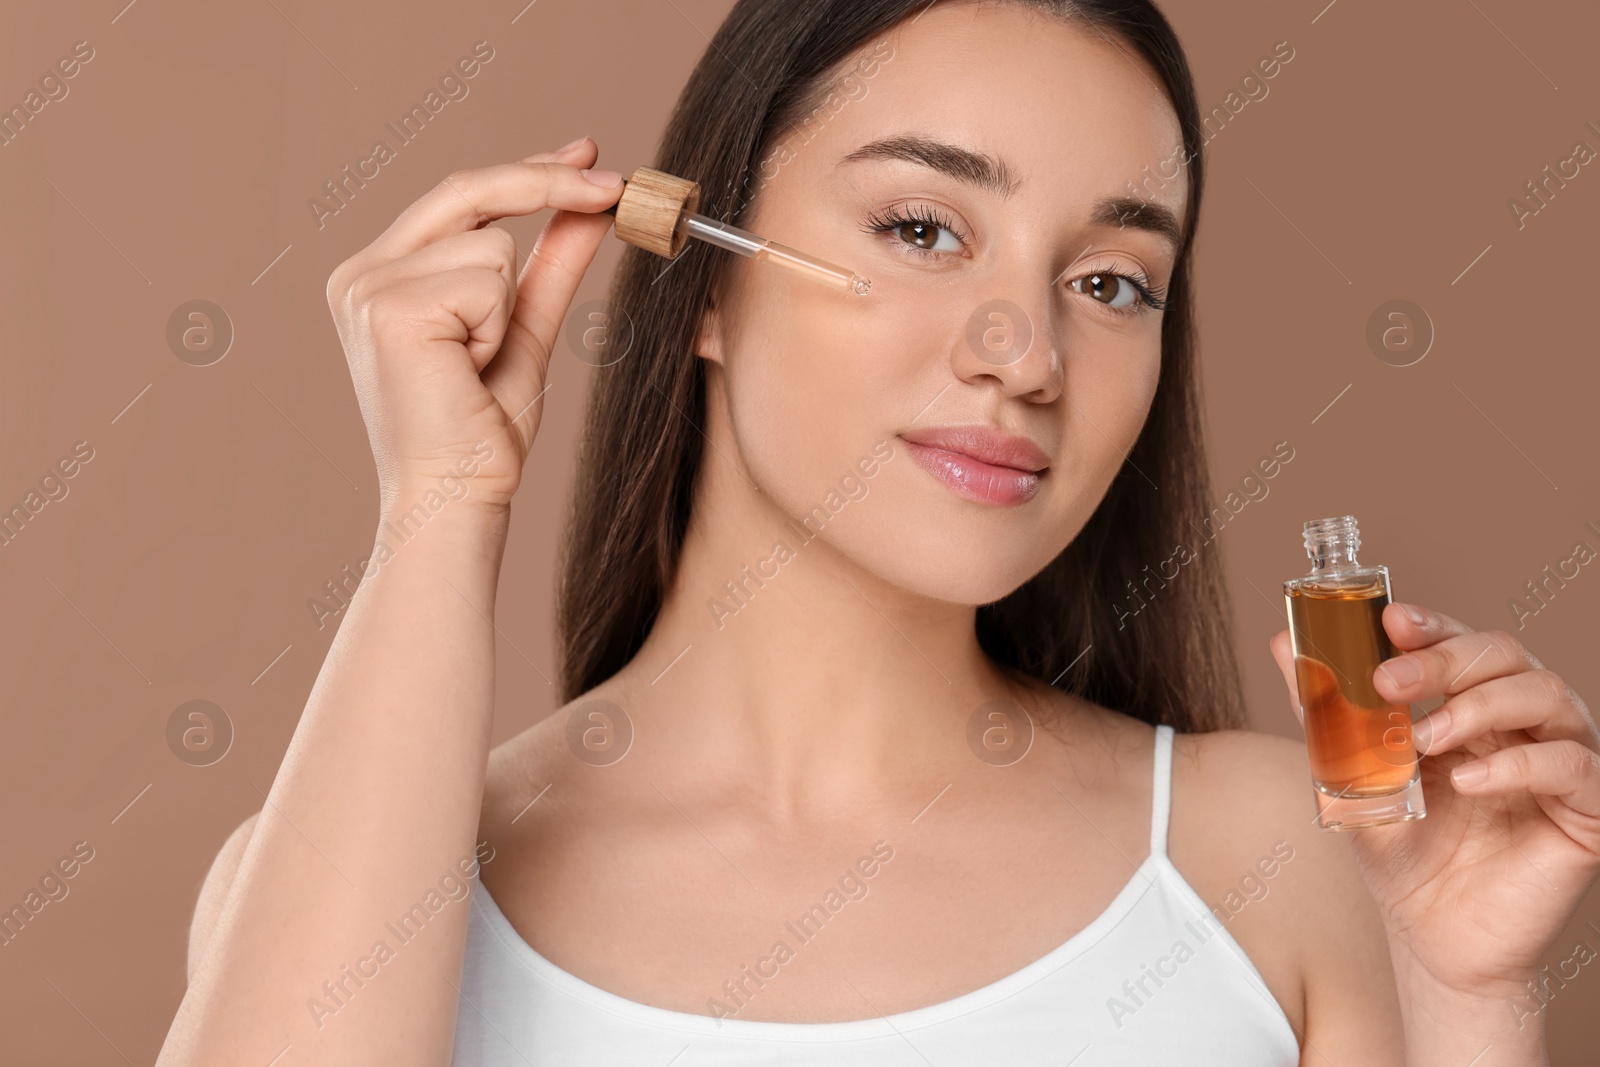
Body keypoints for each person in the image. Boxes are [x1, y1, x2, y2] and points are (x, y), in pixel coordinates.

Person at [160, 0, 1600, 1064]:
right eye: (922, 229)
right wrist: (440, 508)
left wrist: (1471, 994)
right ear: (706, 283)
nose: (1024, 352)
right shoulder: (345, 874)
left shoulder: (1287, 858)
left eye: (1111, 283)